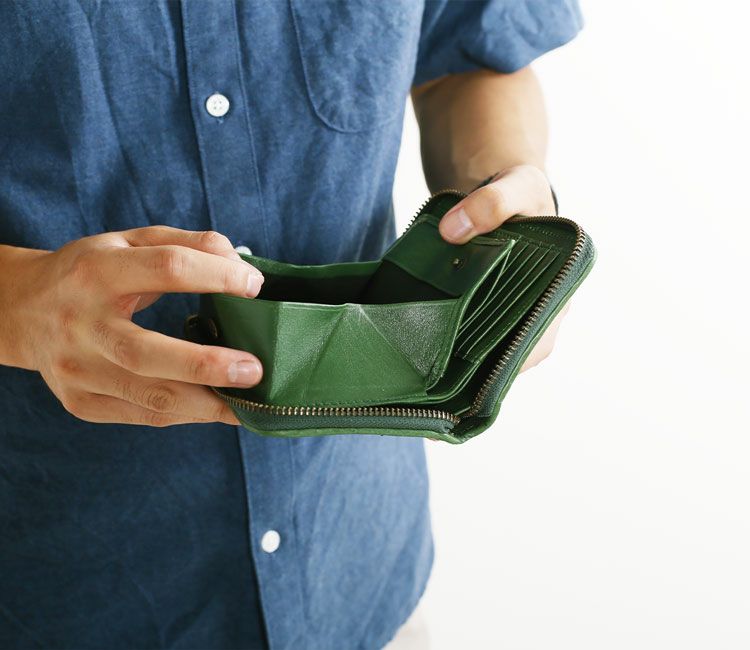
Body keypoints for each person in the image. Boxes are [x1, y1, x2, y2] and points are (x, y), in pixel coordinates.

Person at [0, 1, 582, 648]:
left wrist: (505, 211)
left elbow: (467, 54)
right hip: (64, 583)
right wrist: (17, 304)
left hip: (357, 564)